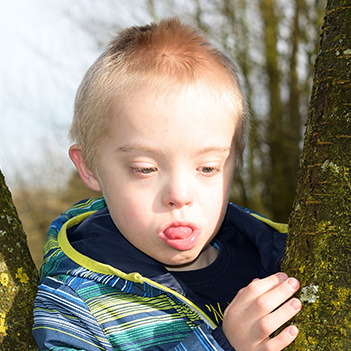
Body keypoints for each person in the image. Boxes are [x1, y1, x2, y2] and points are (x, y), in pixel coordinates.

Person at [33, 17, 302, 351]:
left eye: (207, 168)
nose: (179, 195)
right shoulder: (76, 306)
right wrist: (220, 346)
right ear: (89, 167)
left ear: (235, 164)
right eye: (145, 169)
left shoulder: (280, 257)